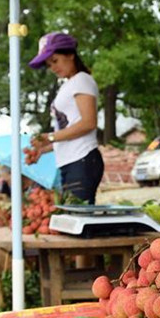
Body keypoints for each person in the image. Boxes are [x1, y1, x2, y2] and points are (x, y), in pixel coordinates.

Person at [27, 32, 104, 205]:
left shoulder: (82, 80)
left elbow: (88, 123)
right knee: (72, 216)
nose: (53, 68)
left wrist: (50, 137)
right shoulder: (69, 84)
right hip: (71, 161)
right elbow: (69, 129)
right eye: (48, 65)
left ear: (70, 54)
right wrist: (43, 148)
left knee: (78, 216)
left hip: (82, 159)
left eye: (55, 61)